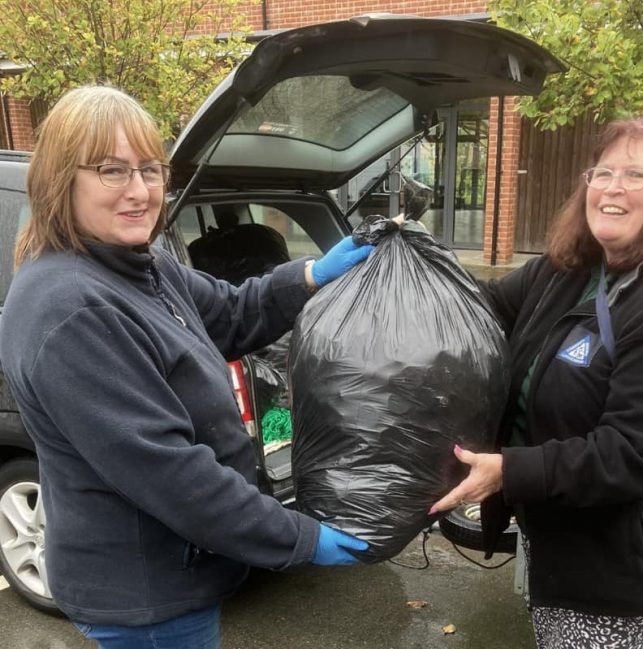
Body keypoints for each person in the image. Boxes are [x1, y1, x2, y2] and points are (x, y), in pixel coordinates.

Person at [0, 85, 373, 649]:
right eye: (112, 170)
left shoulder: (139, 266)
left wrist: (311, 275)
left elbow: (229, 313)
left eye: (151, 170)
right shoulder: (71, 309)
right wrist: (298, 537)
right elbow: (173, 475)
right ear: (60, 180)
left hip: (182, 573)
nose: (140, 191)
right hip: (146, 597)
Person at [431, 116, 643, 649]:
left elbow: (637, 451)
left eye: (636, 176)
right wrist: (415, 265)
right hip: (557, 532)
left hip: (621, 559)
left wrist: (509, 470)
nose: (613, 188)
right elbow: (480, 309)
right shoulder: (568, 272)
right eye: (602, 172)